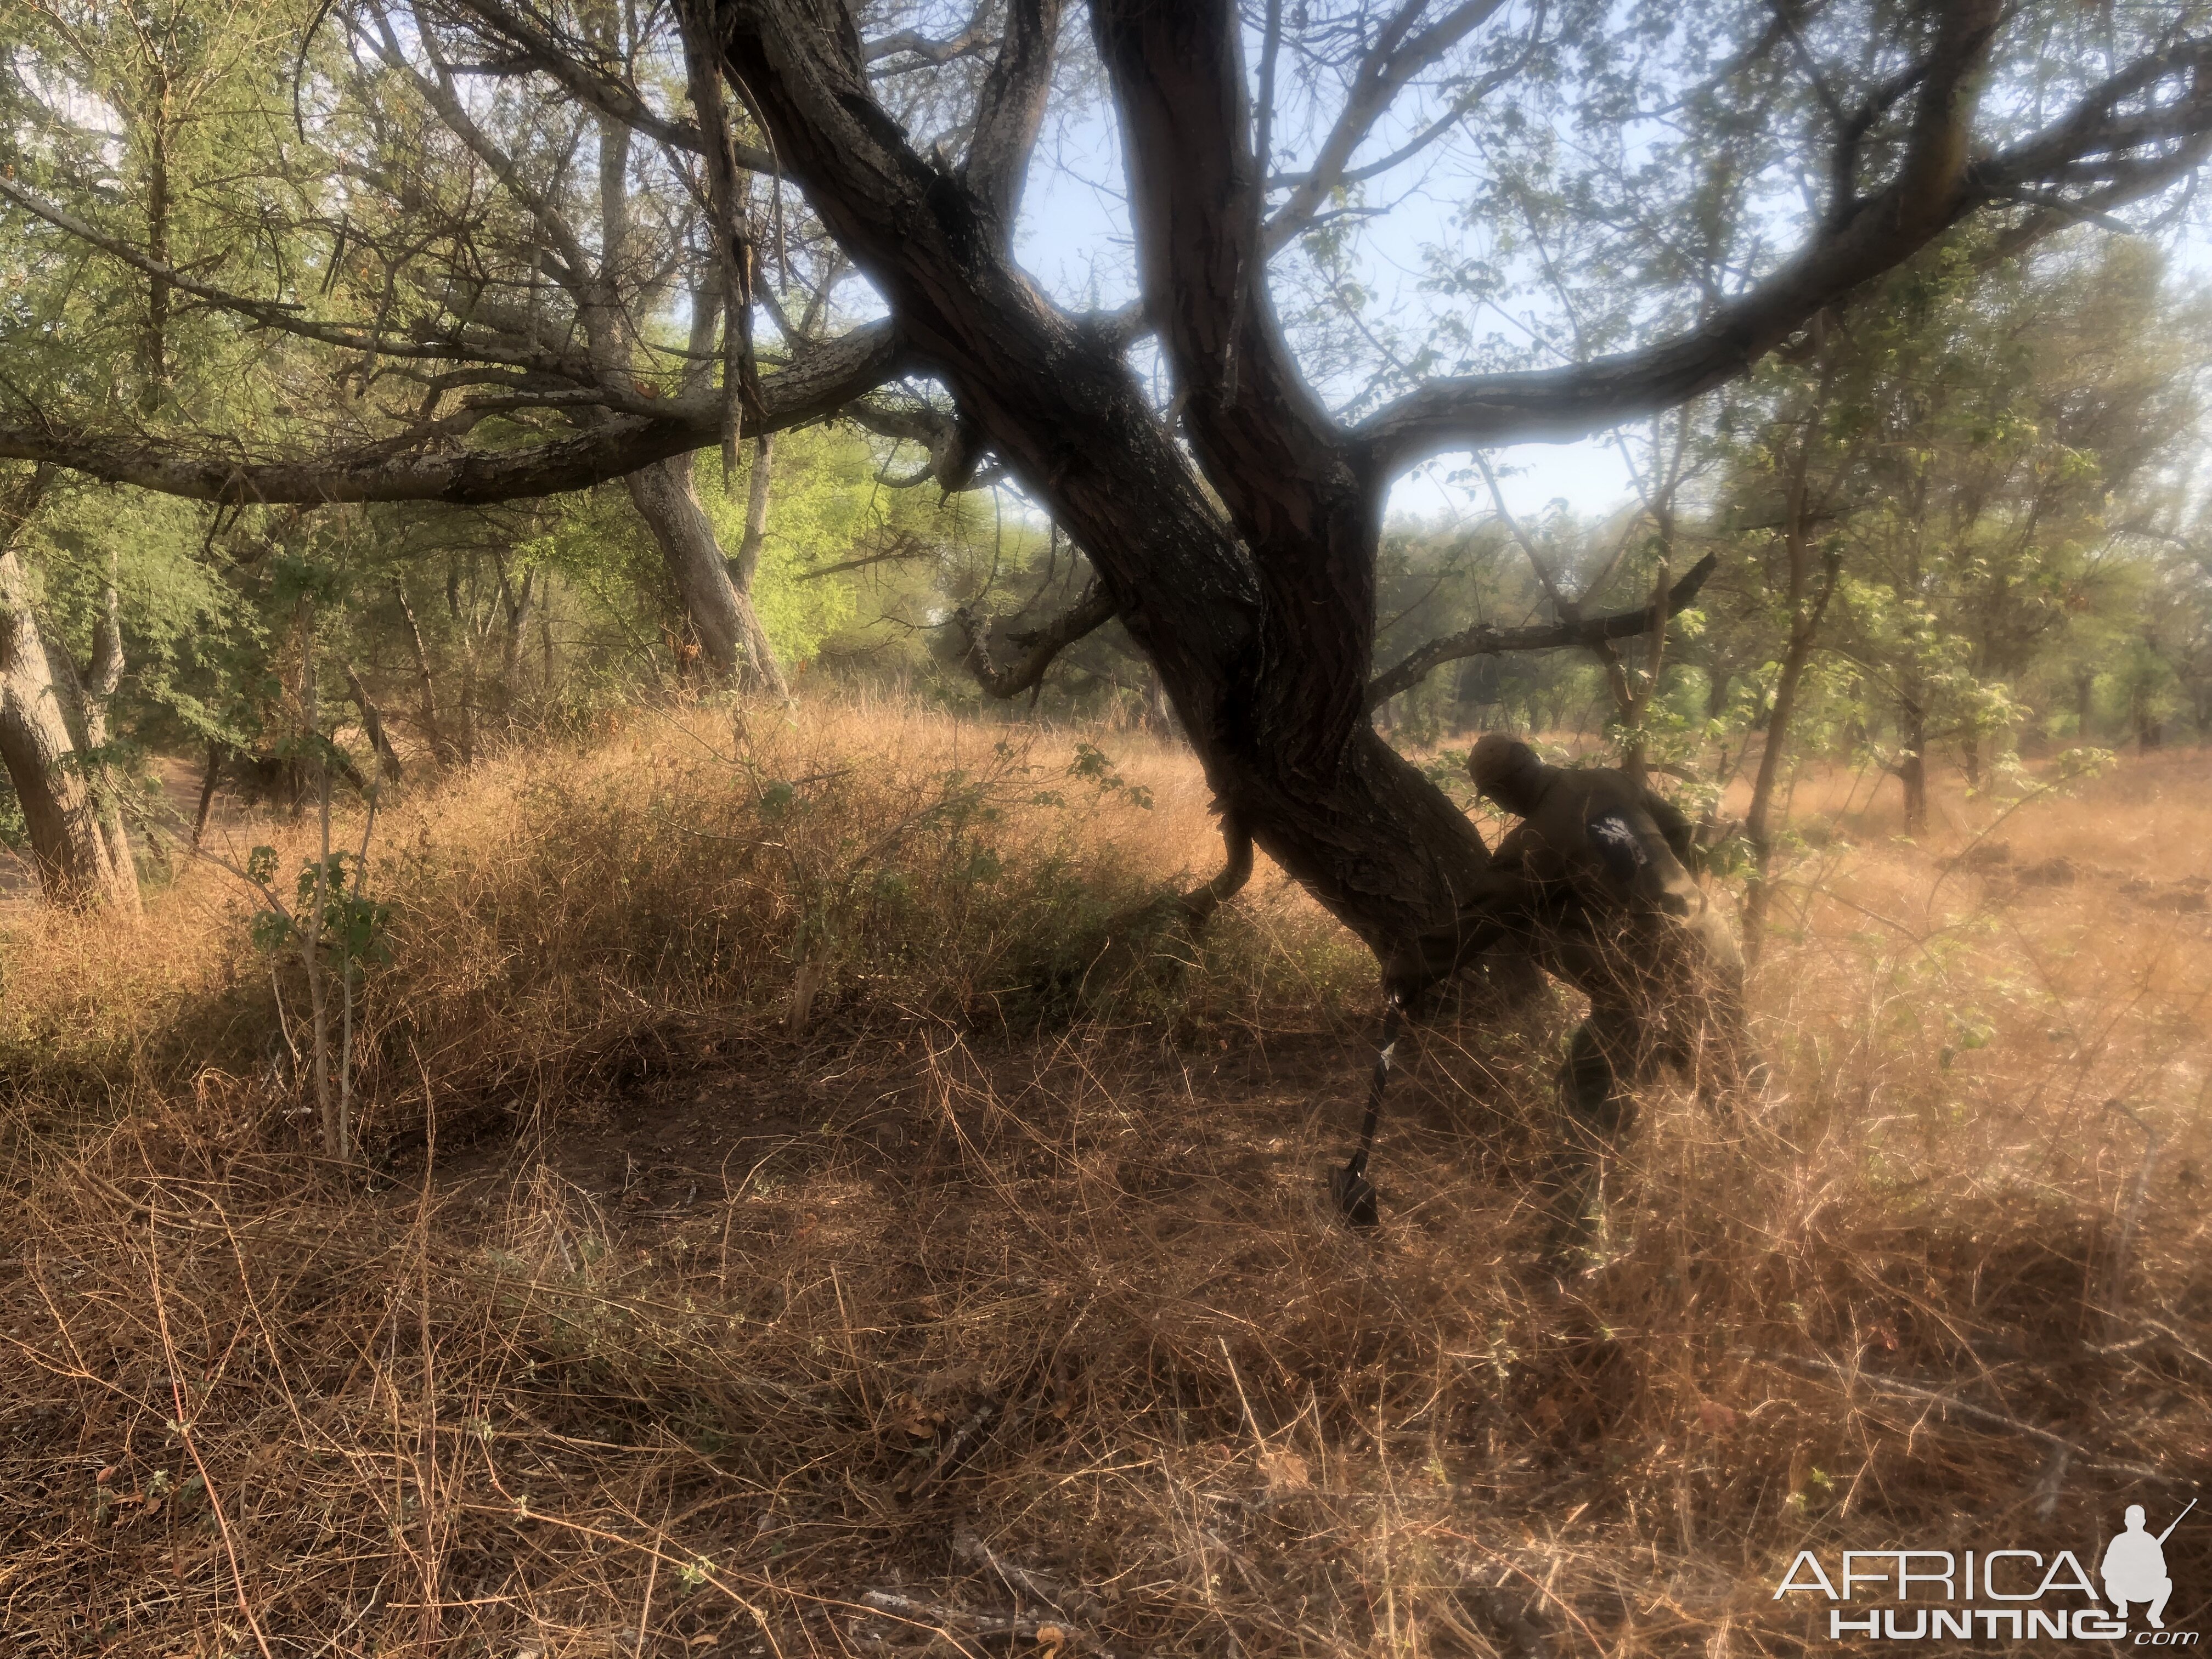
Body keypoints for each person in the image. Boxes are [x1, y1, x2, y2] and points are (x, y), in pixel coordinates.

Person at [1386, 736, 1747, 1206]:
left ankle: (1568, 1242)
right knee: (1730, 1088)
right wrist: (1655, 897)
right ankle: (1767, 1199)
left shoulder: (1535, 841)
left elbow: (1480, 919)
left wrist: (1409, 972)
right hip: (1713, 950)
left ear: (1500, 793)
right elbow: (1677, 831)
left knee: (1588, 1097)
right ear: (1538, 761)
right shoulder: (1609, 781)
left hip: (1643, 985)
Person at [2103, 1505, 2174, 1629]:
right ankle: (2122, 1606)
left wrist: (2146, 1571)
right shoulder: (2118, 1541)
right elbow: (2105, 1570)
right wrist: (2124, 1572)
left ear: (2144, 1522)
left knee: (2166, 1584)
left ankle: (2154, 1615)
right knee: (2109, 1583)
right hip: (2123, 1589)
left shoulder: (2151, 1541)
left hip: (2145, 1589)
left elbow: (2163, 1571)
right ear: (2126, 1522)